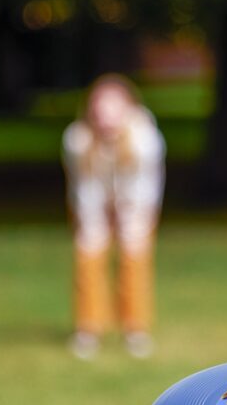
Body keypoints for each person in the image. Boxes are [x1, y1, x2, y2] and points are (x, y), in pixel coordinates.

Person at [62, 73, 165, 359]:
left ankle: (135, 329)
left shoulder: (145, 139)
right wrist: (93, 222)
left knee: (134, 258)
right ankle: (88, 328)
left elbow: (145, 186)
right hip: (92, 203)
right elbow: (84, 187)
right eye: (100, 108)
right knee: (88, 254)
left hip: (136, 203)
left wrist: (129, 216)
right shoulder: (77, 139)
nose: (106, 117)